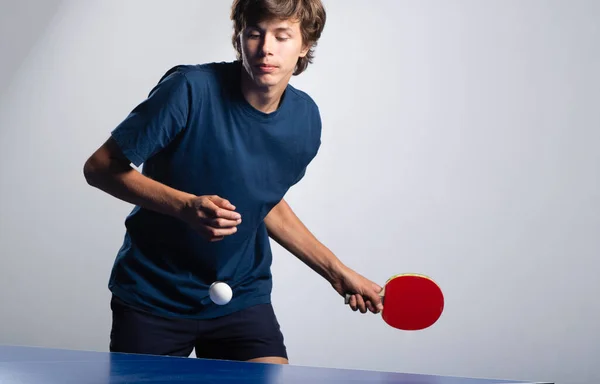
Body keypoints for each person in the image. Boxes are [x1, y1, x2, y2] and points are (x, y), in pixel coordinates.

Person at [83, 0, 383, 365]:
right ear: (240, 38)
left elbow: (265, 202)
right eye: (254, 33)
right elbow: (100, 166)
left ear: (305, 45)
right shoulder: (189, 89)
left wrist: (337, 273)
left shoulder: (305, 121)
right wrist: (184, 206)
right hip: (153, 295)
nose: (265, 48)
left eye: (282, 35)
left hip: (242, 296)